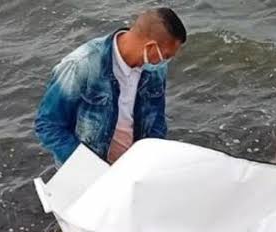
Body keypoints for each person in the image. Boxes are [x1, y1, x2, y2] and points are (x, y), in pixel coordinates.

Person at [35, 8, 187, 166]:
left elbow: (157, 122)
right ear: (150, 47)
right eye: (166, 56)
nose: (166, 62)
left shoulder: (155, 69)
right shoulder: (81, 65)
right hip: (87, 169)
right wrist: (88, 166)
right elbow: (48, 125)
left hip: (134, 168)